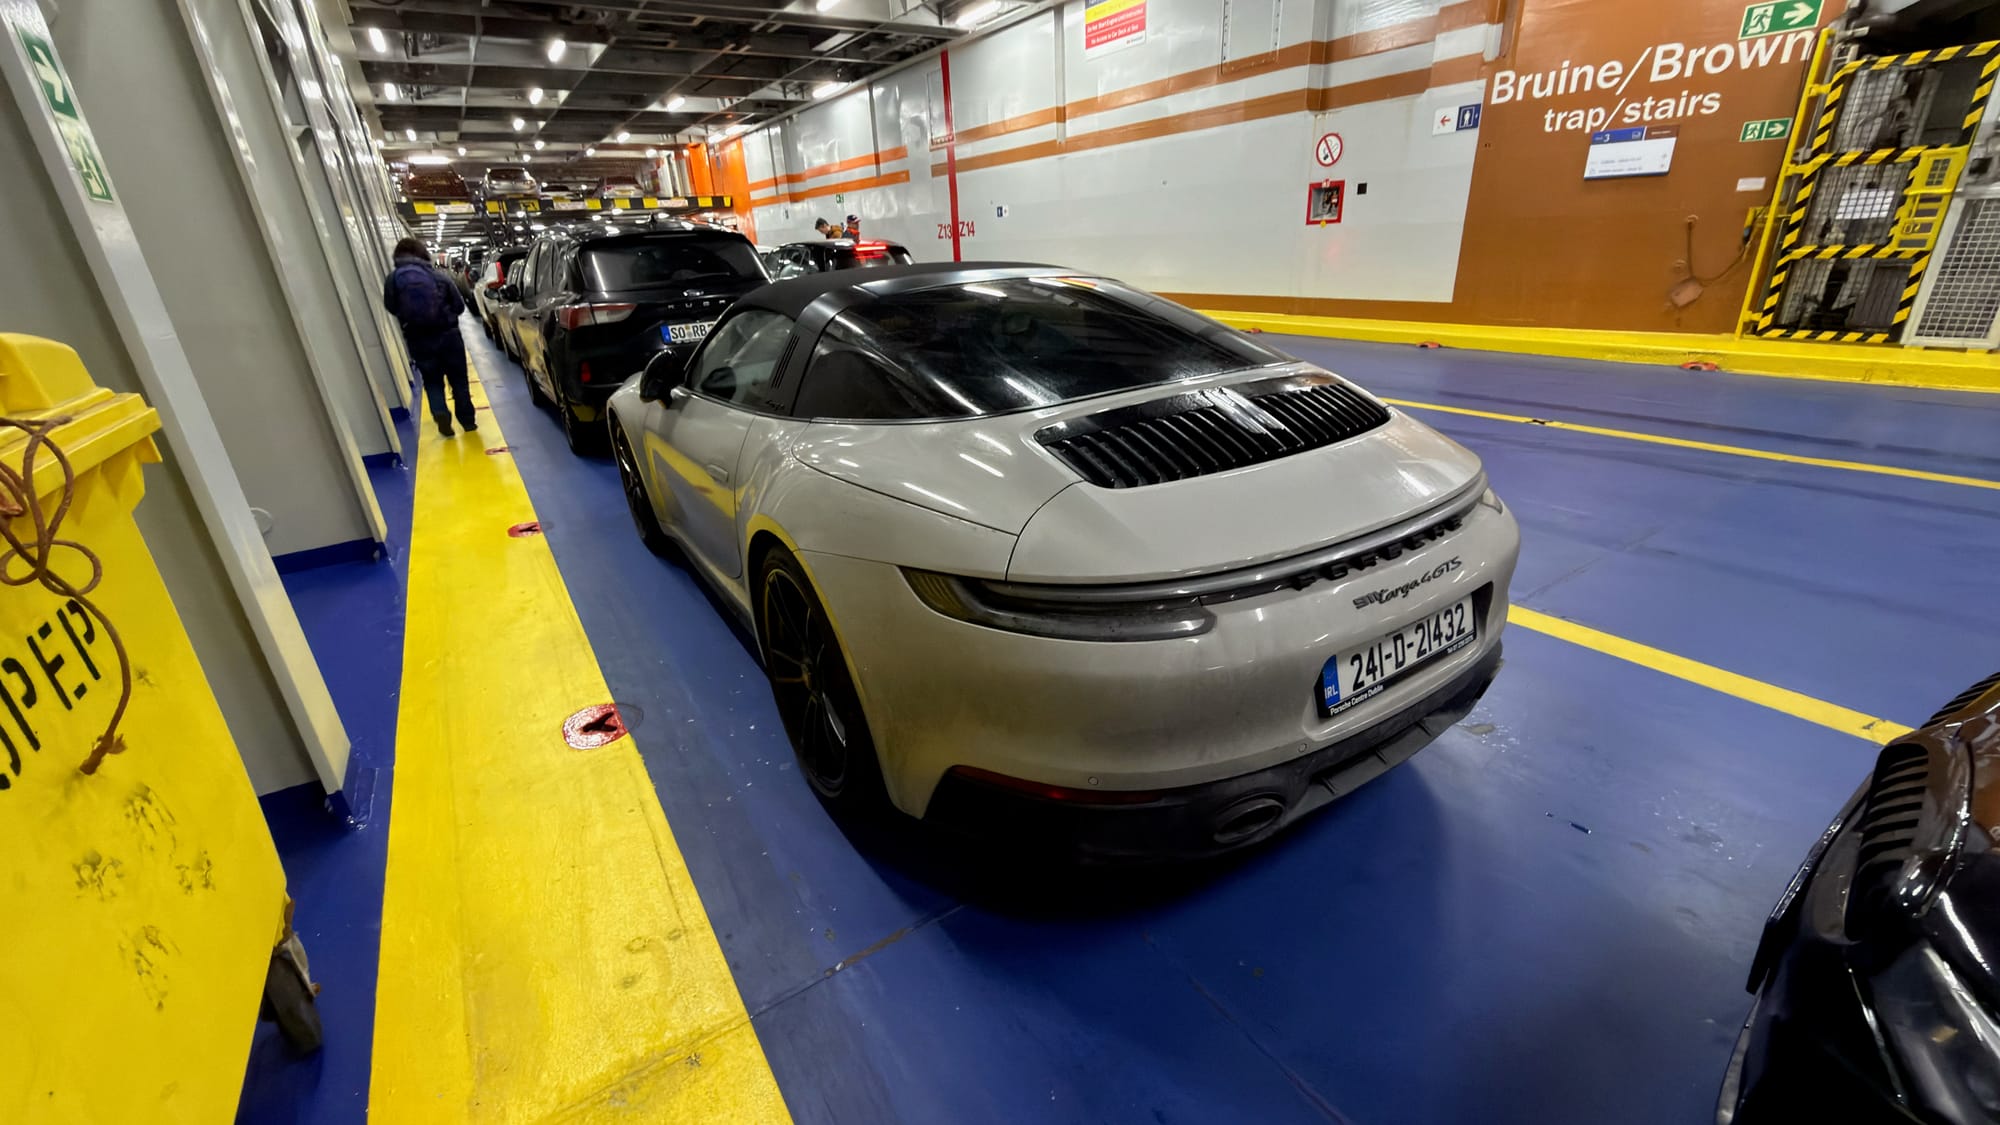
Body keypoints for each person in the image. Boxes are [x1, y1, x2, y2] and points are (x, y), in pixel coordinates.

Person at [382, 237, 478, 437]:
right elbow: (459, 306)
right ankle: (468, 421)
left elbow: (390, 306)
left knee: (432, 381)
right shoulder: (438, 277)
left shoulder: (393, 279)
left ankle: (440, 414)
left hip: (419, 340)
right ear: (423, 254)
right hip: (449, 337)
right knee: (459, 379)